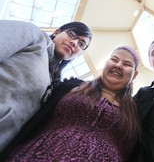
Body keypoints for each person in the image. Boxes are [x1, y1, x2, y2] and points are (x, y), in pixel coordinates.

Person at [1, 45, 141, 161]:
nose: (118, 65)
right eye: (114, 59)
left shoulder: (138, 110)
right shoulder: (72, 86)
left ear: (134, 75)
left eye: (127, 64)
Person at [0, 20, 92, 152]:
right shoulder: (35, 36)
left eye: (81, 44)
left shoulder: (54, 84)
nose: (74, 42)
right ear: (57, 32)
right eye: (72, 34)